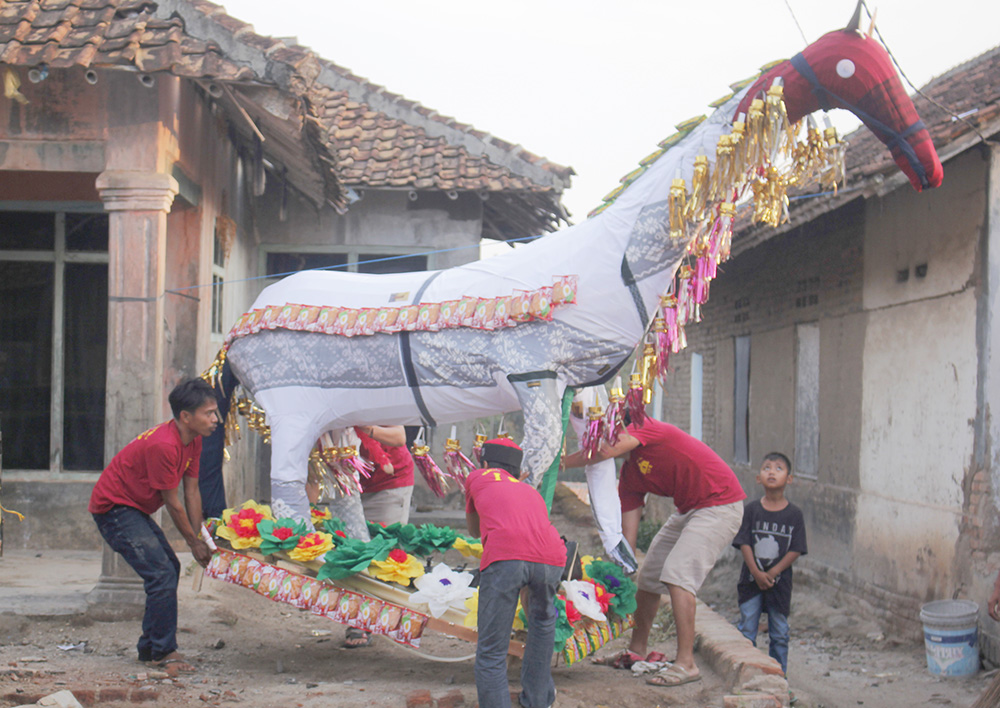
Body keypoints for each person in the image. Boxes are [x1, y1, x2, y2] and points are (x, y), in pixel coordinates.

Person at [562, 416, 745, 687]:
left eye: (607, 433)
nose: (604, 441)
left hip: (719, 504)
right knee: (648, 577)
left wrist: (560, 462)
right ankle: (637, 650)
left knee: (677, 575)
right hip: (688, 510)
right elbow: (628, 540)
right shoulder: (629, 477)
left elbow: (603, 452)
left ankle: (686, 663)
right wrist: (622, 569)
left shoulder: (644, 425)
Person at [89, 378, 218, 673]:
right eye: (208, 413)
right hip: (114, 508)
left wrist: (201, 536)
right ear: (186, 416)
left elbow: (192, 491)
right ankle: (163, 651)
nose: (215, 419)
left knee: (168, 569)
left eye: (215, 412)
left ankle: (150, 647)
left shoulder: (193, 439)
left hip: (133, 506)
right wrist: (192, 543)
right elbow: (172, 502)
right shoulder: (164, 445)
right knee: (160, 573)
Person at [466, 438, 566, 708]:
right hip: (552, 559)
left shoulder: (477, 477)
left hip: (505, 557)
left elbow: (475, 531)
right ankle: (538, 701)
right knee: (542, 629)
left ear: (485, 463)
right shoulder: (530, 491)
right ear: (518, 472)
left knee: (491, 652)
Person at [733, 452, 807, 676]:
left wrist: (773, 571)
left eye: (778, 468)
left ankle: (778, 677)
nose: (772, 472)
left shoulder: (794, 515)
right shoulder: (752, 510)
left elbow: (796, 548)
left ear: (789, 478)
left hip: (780, 583)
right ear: (758, 478)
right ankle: (746, 675)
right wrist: (756, 572)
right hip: (750, 581)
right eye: (766, 468)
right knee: (747, 629)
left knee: (780, 633)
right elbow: (744, 542)